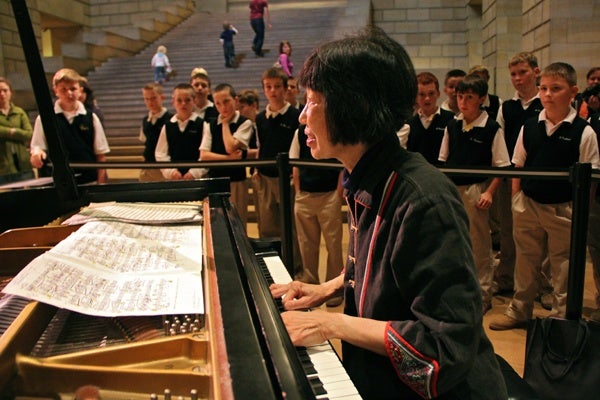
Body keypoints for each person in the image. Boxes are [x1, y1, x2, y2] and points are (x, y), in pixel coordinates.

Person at [270, 27, 507, 399]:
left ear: (353, 106)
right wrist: (327, 288)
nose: (302, 116)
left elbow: (445, 348)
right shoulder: (369, 174)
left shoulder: (422, 199)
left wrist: (332, 325)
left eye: (312, 101)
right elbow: (385, 265)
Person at [489, 62, 600, 330]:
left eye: (556, 89)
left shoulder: (584, 131)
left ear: (573, 92)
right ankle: (520, 310)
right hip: (528, 204)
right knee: (525, 261)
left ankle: (561, 316)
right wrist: (517, 201)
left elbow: (591, 177)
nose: (548, 94)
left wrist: (579, 208)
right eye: (544, 89)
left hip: (564, 208)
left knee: (563, 265)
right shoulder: (530, 126)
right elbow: (518, 165)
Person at [438, 73, 511, 314]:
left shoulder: (491, 127)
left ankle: (482, 293)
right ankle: (457, 290)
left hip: (476, 189)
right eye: (460, 97)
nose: (463, 102)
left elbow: (502, 167)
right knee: (453, 241)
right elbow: (443, 160)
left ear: (481, 99)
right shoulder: (453, 125)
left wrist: (489, 192)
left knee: (479, 245)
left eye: (469, 97)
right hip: (453, 189)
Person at [492, 51, 543, 295]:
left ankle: (542, 284)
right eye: (513, 74)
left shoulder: (545, 103)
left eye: (523, 72)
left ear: (536, 71)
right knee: (508, 229)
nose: (518, 78)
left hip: (541, 177)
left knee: (539, 234)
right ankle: (506, 279)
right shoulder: (507, 107)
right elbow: (500, 139)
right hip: (511, 177)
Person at [252, 67, 302, 275]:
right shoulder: (260, 118)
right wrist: (256, 168)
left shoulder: (295, 116)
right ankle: (271, 267)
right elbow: (260, 144)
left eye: (277, 87)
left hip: (286, 178)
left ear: (285, 88)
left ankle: (295, 267)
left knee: (290, 226)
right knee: (267, 224)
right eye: (268, 87)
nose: (273, 91)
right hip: (264, 177)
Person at [289, 124, 344, 305]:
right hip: (305, 195)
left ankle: (334, 290)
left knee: (333, 245)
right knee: (306, 245)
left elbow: (342, 164)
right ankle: (309, 285)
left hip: (329, 195)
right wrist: (298, 191)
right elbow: (294, 163)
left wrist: (337, 194)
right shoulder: (300, 132)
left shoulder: (334, 128)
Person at [30, 68, 109, 184]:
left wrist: (101, 183)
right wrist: (36, 154)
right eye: (64, 89)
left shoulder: (91, 117)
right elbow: (37, 147)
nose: (69, 93)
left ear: (80, 90)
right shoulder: (44, 119)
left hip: (87, 180)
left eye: (73, 89)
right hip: (56, 182)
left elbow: (101, 155)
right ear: (55, 90)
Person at [200, 83, 253, 227]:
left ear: (235, 100)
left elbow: (230, 146)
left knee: (238, 222)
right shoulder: (210, 124)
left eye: (226, 102)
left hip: (237, 181)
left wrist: (224, 124)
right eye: (218, 104)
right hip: (215, 180)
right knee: (217, 224)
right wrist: (228, 159)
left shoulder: (245, 123)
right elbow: (204, 155)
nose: (223, 107)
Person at [397, 71, 455, 164]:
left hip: (443, 175)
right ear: (415, 96)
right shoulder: (408, 123)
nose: (427, 98)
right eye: (422, 94)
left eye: (431, 93)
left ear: (438, 94)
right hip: (416, 175)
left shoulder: (451, 119)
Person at [154, 83, 206, 180]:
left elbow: (206, 153)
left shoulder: (202, 124)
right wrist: (171, 171)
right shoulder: (168, 126)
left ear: (194, 101)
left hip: (197, 178)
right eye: (179, 100)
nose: (183, 104)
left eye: (187, 100)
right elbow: (160, 153)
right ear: (173, 102)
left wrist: (194, 172)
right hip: (175, 178)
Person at [0, 77, 34, 184]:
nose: (2, 94)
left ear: (10, 92)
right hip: (3, 166)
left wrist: (11, 132)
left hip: (23, 163)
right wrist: (14, 132)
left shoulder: (19, 112)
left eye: (5, 90)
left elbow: (29, 134)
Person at [138, 82, 171, 182]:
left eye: (153, 98)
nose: (150, 102)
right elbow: (145, 141)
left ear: (162, 97)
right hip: (148, 166)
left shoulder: (170, 119)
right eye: (146, 99)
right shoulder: (145, 120)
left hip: (164, 167)